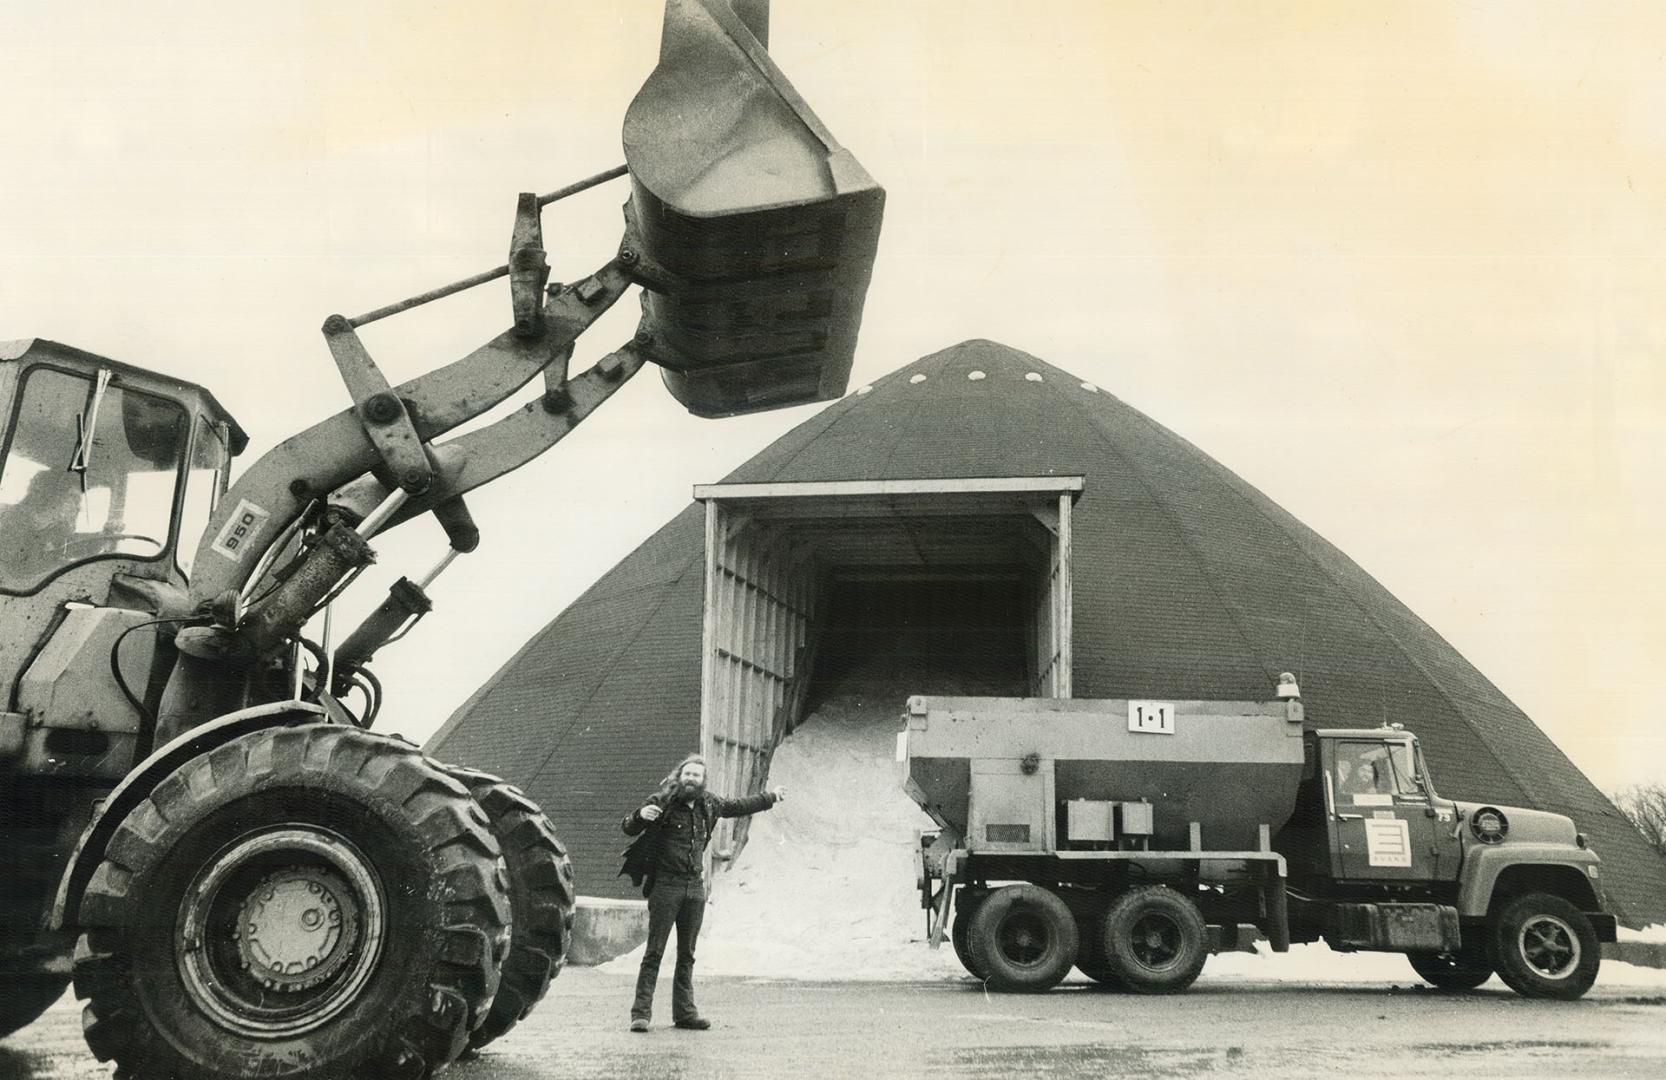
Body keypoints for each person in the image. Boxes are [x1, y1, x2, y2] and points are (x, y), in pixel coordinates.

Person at [620, 752, 785, 1033]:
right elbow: (629, 827)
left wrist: (771, 797)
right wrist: (639, 816)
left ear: (703, 780)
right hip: (666, 886)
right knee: (654, 952)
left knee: (687, 953)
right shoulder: (662, 801)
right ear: (679, 776)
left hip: (694, 887)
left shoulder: (709, 803)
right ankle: (641, 1014)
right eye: (687, 774)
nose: (691, 779)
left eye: (697, 775)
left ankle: (685, 1013)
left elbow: (739, 805)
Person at [0, 468, 84, 582]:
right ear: (51, 497)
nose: (79, 507)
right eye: (74, 498)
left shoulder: (53, 531)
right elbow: (12, 576)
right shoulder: (12, 522)